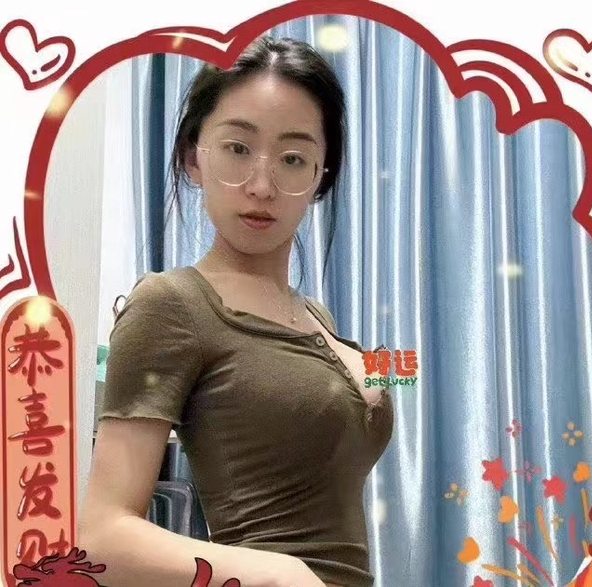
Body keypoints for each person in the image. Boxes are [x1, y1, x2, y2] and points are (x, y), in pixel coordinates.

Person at [78, 35, 394, 587]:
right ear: (192, 158)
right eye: (237, 149)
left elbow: (377, 380)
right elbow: (101, 538)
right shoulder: (171, 304)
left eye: (293, 159)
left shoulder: (318, 317)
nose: (262, 186)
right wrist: (280, 574)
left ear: (320, 177)